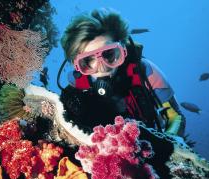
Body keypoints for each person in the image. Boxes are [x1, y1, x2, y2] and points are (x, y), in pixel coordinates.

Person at [58, 8, 185, 136]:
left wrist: (166, 144)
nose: (102, 67)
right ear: (77, 65)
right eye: (88, 60)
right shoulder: (77, 86)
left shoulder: (145, 72)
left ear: (123, 49)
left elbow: (176, 116)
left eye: (109, 53)